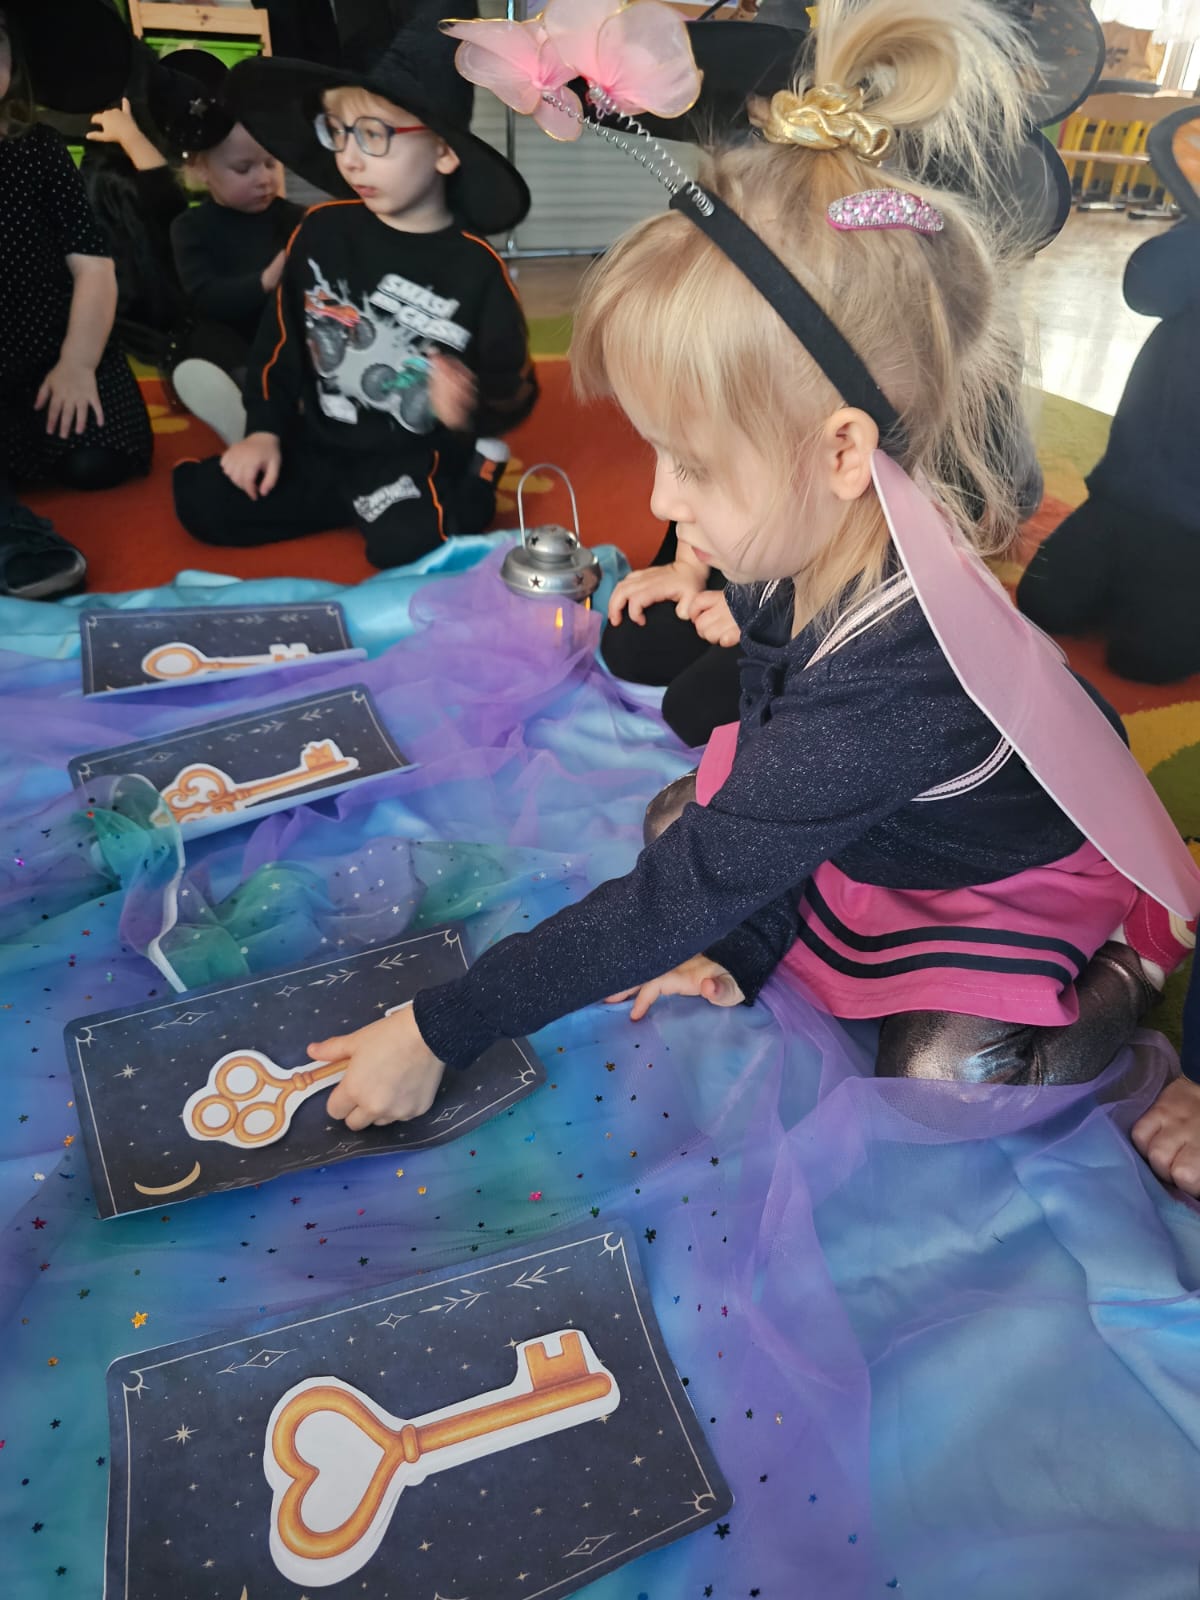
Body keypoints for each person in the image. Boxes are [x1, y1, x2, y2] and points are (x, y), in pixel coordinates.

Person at [302, 0, 1200, 1193]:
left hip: (991, 876)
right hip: (871, 829)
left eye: (693, 462)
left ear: (842, 450)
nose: (659, 498)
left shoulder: (896, 683)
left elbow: (696, 872)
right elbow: (759, 758)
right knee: (685, 822)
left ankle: (1130, 970)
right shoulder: (806, 553)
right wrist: (740, 940)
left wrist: (439, 1029)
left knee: (949, 1075)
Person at [172, 1, 536, 570]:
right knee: (203, 504)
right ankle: (338, 495)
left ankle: (480, 471)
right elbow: (279, 345)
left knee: (408, 543)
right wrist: (263, 431)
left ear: (443, 150)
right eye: (338, 132)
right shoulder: (318, 231)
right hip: (319, 442)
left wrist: (469, 407)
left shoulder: (477, 268)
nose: (349, 158)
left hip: (411, 457)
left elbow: (514, 386)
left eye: (373, 134)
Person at [0, 0, 151, 599]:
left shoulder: (38, 149)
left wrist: (78, 363)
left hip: (56, 351)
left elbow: (93, 266)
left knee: (97, 462)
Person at [1017, 215, 1200, 684]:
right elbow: (1145, 288)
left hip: (1193, 531)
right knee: (1043, 604)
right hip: (1124, 496)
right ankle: (1131, 589)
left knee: (1147, 661)